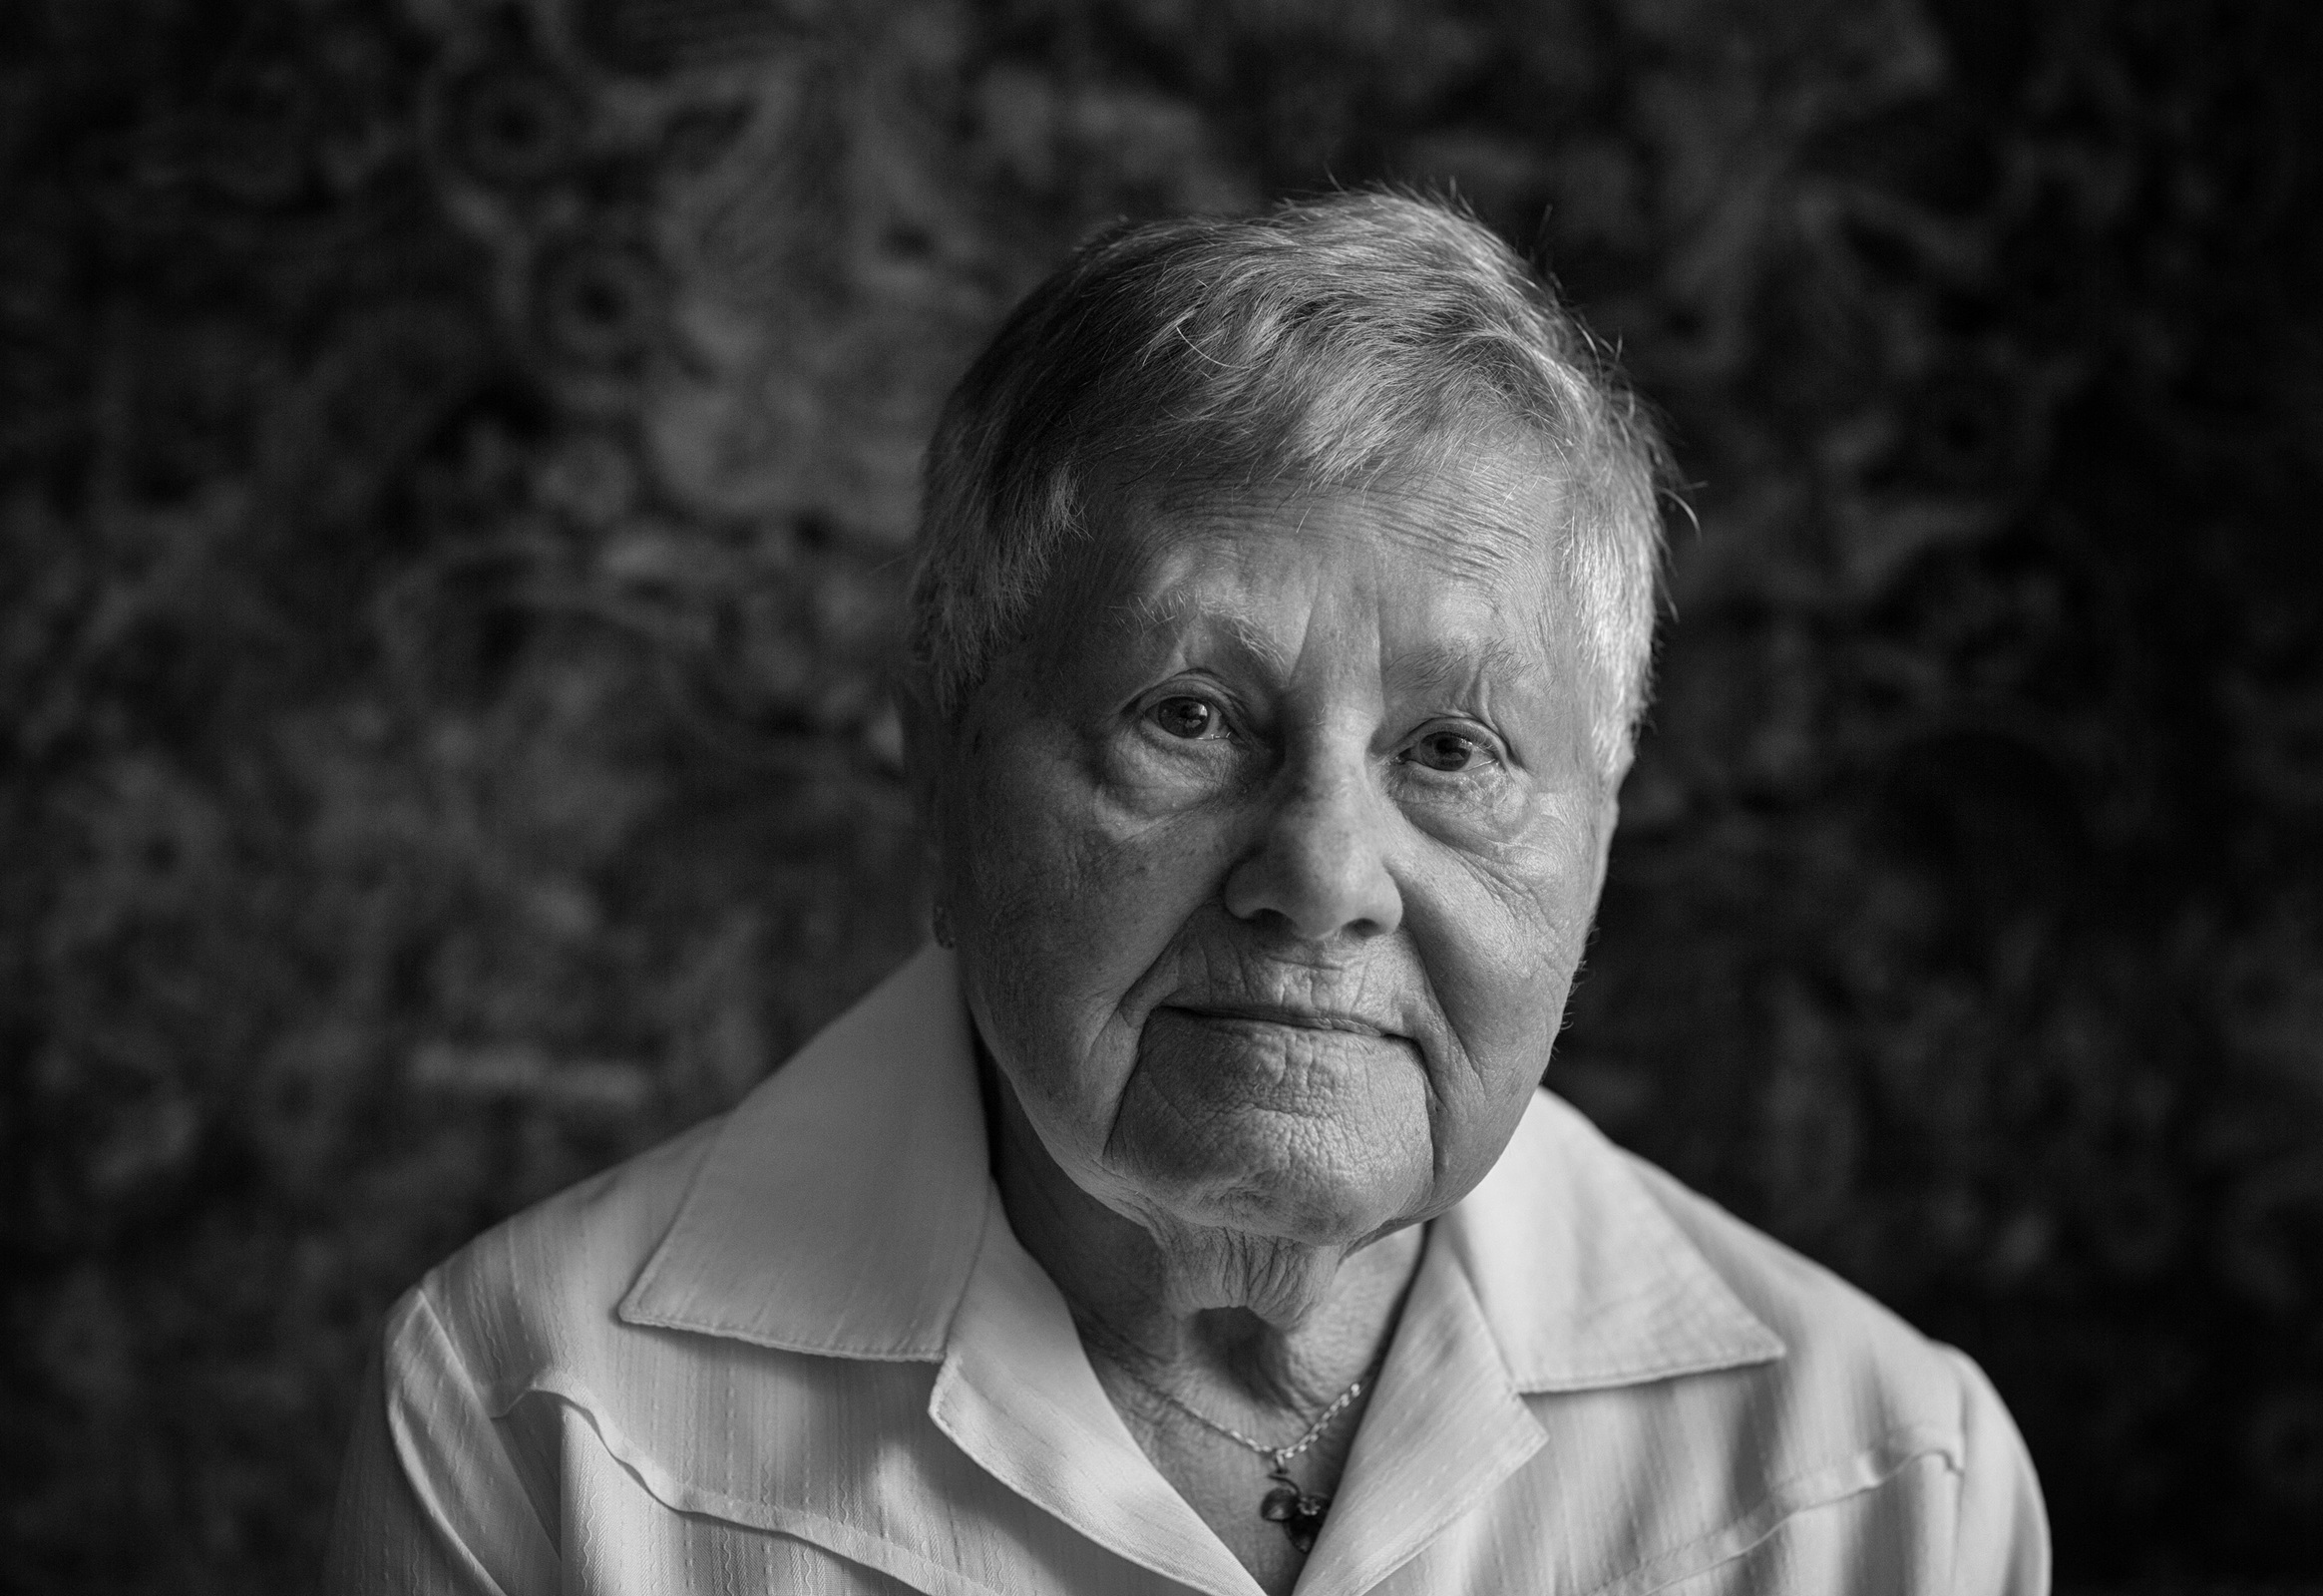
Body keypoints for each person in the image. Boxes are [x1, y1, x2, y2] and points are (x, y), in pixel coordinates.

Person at [324, 191, 2049, 1596]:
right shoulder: (538, 1415)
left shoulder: (1886, 1487)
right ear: (941, 764)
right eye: (1191, 717)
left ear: (1598, 830)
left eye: (1451, 751)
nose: (1322, 878)